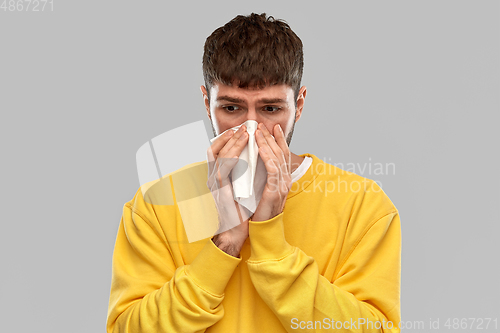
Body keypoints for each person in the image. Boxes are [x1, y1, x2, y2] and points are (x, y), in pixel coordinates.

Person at [107, 13, 401, 333]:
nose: (250, 128)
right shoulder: (155, 204)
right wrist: (225, 245)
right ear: (207, 103)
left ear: (298, 105)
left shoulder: (363, 206)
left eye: (270, 109)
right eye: (231, 108)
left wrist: (271, 243)